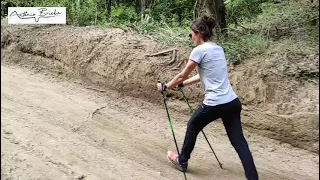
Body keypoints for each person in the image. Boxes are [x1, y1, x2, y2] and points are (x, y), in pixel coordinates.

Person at [156, 15, 259, 180]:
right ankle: (253, 178)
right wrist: (181, 85)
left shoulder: (199, 50)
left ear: (197, 33)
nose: (191, 39)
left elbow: (183, 74)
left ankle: (182, 161)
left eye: (191, 35)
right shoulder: (217, 48)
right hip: (232, 102)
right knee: (238, 141)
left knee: (193, 125)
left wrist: (167, 86)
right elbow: (201, 76)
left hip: (215, 103)